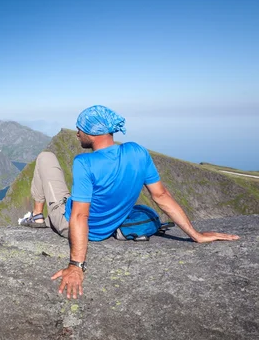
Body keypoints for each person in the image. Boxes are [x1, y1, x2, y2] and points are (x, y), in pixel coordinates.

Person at [18, 105, 240, 299]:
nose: (77, 133)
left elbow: (79, 216)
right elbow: (162, 196)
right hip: (108, 227)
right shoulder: (137, 152)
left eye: (80, 129)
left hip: (73, 224)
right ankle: (41, 216)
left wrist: (76, 266)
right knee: (73, 194)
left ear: (93, 134)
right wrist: (196, 235)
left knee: (45, 157)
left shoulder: (84, 162)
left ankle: (38, 217)